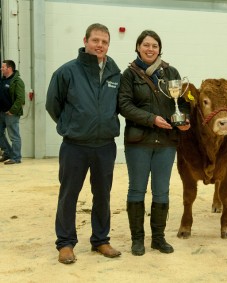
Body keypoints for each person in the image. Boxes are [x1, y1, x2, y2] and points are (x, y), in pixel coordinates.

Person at [46, 23, 122, 264]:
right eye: (95, 40)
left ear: (108, 44)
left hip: (105, 146)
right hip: (75, 146)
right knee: (69, 194)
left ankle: (101, 240)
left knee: (103, 195)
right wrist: (72, 125)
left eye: (104, 42)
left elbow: (119, 105)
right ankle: (65, 243)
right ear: (85, 41)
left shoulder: (115, 73)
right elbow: (53, 104)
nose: (100, 45)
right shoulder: (66, 72)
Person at [118, 30, 190, 256]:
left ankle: (158, 238)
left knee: (161, 191)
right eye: (146, 45)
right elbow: (124, 105)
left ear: (160, 49)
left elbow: (183, 103)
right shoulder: (129, 75)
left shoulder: (172, 72)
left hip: (167, 142)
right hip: (138, 141)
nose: (150, 49)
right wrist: (152, 119)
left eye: (154, 46)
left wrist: (184, 119)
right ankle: (137, 239)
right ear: (138, 47)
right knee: (137, 189)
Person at [0, 60, 25, 165]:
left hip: (11, 113)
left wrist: (12, 110)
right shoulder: (2, 80)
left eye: (3, 67)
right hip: (1, 112)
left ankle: (16, 157)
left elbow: (20, 99)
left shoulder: (17, 81)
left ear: (9, 68)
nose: (1, 69)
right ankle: (7, 153)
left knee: (14, 136)